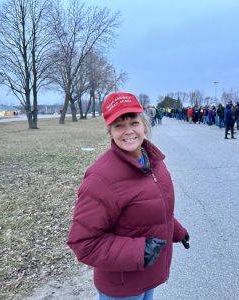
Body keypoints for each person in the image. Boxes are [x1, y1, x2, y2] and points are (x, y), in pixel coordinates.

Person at [67, 92, 189, 300]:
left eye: (133, 122)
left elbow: (152, 207)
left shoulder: (152, 161)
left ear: (144, 125)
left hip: (149, 275)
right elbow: (83, 243)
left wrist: (177, 231)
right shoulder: (101, 178)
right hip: (122, 287)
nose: (128, 131)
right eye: (119, 125)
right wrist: (139, 251)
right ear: (110, 132)